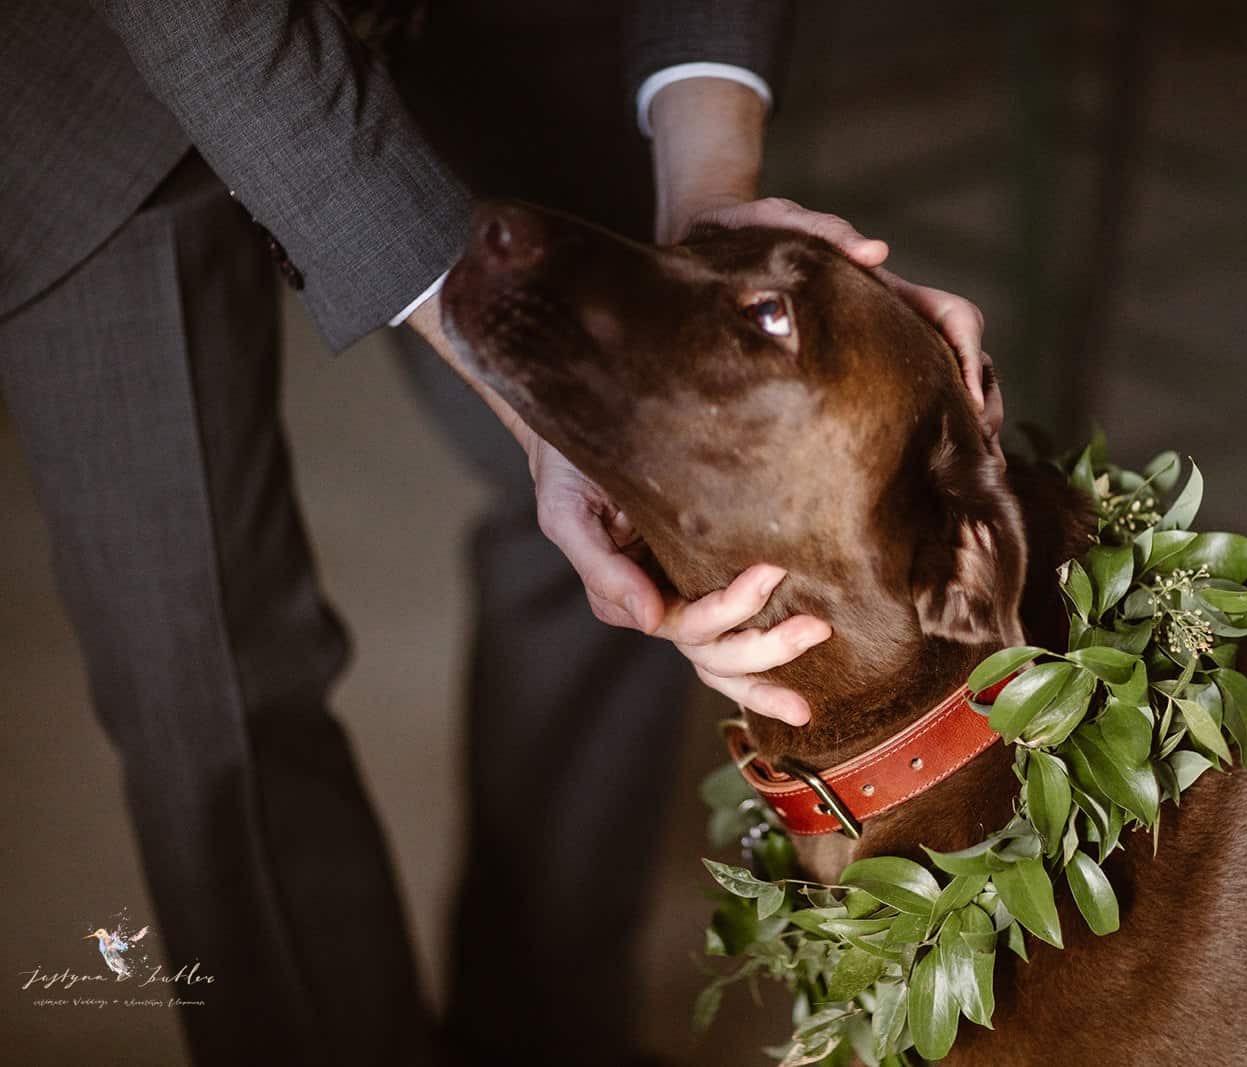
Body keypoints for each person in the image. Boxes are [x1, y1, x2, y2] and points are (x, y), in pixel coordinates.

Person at [0, 1, 994, 1064]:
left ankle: (539, 1029)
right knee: (204, 674)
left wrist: (712, 211)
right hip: (105, 89)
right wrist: (523, 389)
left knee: (629, 529)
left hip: (499, 22)